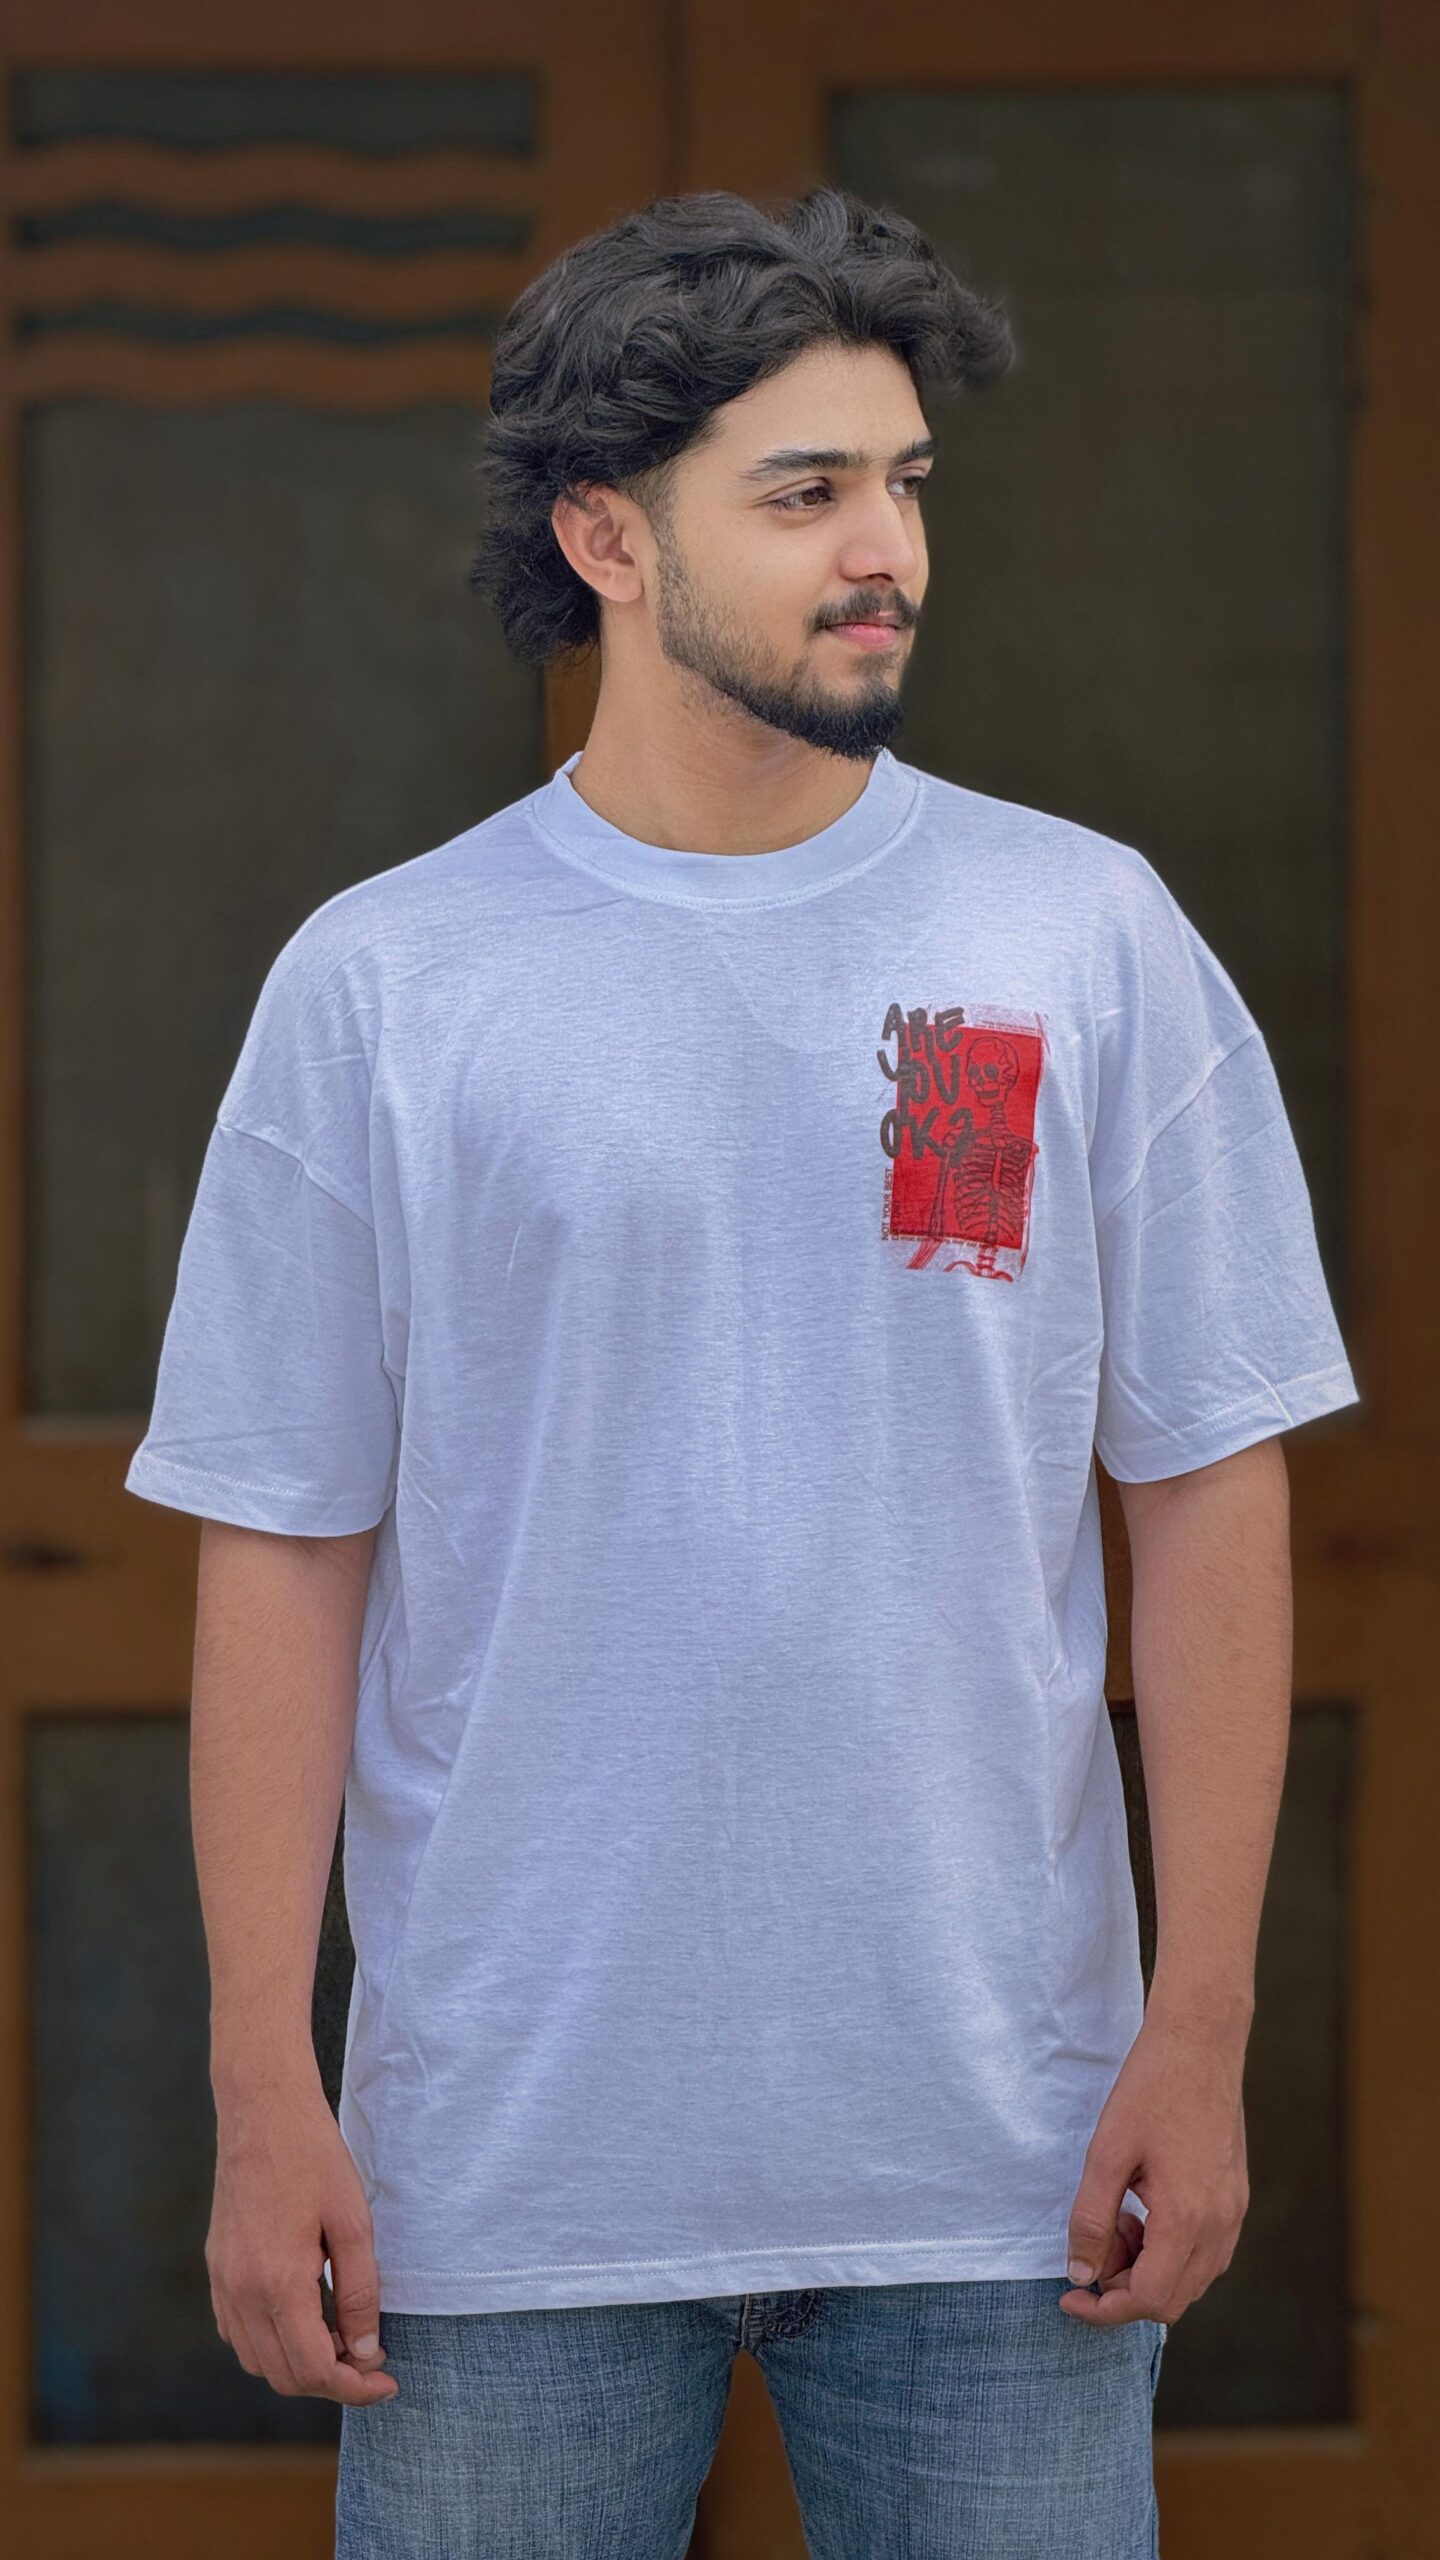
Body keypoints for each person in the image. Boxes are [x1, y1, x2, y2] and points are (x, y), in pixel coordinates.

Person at [125, 186, 1360, 2557]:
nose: (885, 549)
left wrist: (1199, 2026)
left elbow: (1210, 1482)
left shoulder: (1080, 934)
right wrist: (263, 2081)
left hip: (1004, 2154)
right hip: (505, 2164)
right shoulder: (387, 985)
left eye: (905, 482)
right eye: (803, 493)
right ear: (607, 531)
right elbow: (280, 1544)